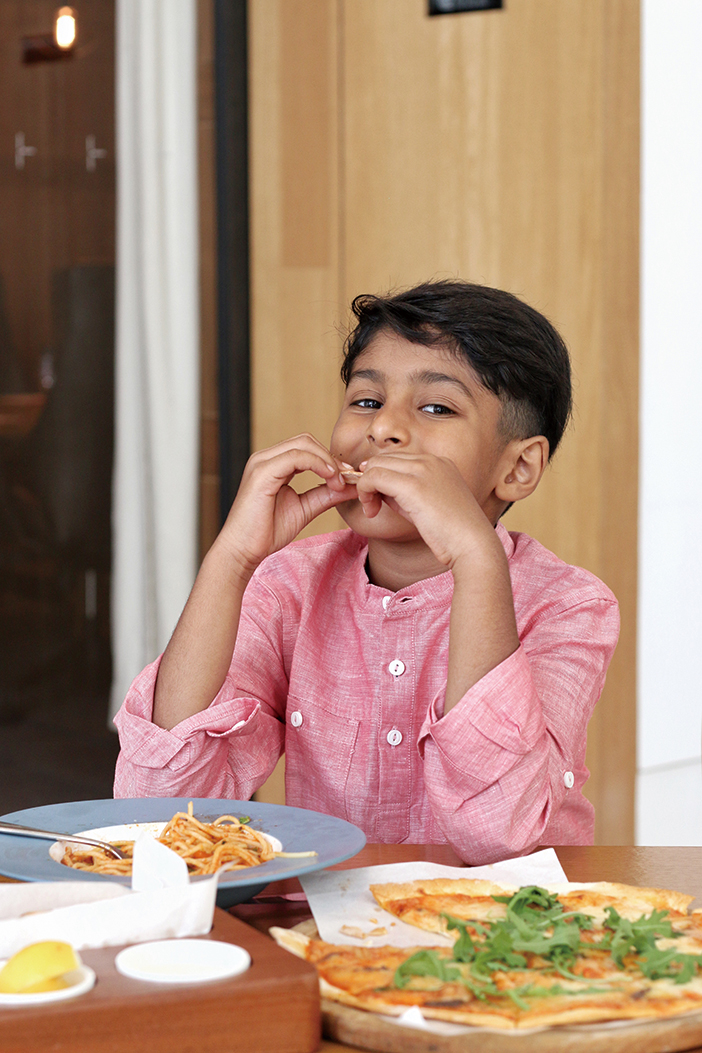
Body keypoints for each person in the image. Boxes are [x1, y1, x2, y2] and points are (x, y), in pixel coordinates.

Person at [113, 280, 619, 864]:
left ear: (518, 468)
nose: (382, 429)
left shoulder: (570, 606)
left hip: (511, 914)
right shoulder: (288, 585)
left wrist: (475, 556)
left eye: (436, 407)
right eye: (367, 401)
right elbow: (160, 806)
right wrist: (232, 559)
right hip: (332, 908)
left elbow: (499, 833)